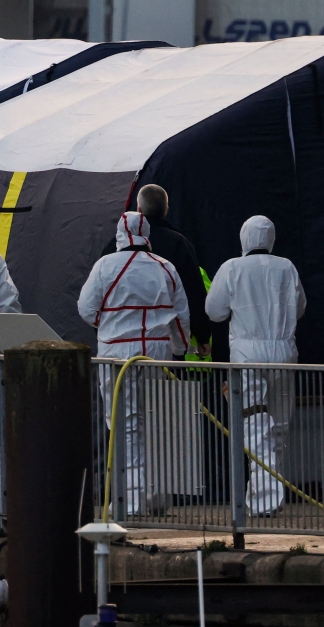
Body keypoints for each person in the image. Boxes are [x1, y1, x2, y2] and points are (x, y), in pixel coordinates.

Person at [78, 212, 190, 516]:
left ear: (119, 235)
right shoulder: (165, 267)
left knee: (124, 424)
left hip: (116, 352)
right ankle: (154, 495)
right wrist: (180, 349)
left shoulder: (105, 266)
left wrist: (109, 324)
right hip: (157, 351)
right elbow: (181, 317)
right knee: (155, 422)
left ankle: (132, 497)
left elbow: (86, 309)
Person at [205, 216, 306, 517]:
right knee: (279, 427)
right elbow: (299, 309)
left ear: (244, 238)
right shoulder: (286, 267)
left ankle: (265, 501)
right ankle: (267, 498)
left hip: (247, 356)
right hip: (284, 352)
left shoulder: (232, 268)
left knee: (255, 426)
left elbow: (214, 312)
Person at [103, 184, 211, 357]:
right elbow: (193, 293)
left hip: (117, 344)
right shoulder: (179, 244)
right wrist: (202, 335)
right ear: (166, 210)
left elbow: (94, 301)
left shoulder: (113, 247)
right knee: (163, 385)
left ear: (138, 209)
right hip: (164, 344)